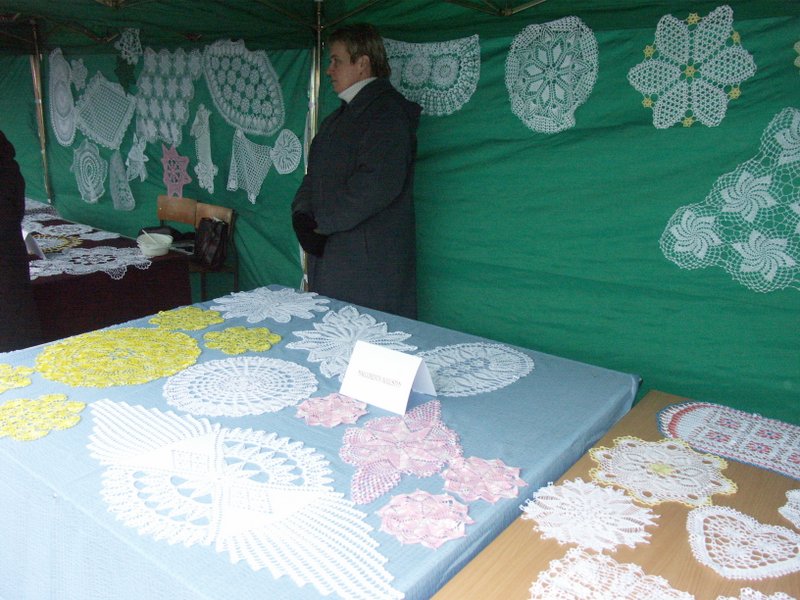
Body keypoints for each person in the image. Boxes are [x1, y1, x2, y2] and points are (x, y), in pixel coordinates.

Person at [292, 23, 422, 319]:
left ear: (362, 63)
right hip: (334, 259)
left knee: (366, 339)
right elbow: (313, 177)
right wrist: (302, 215)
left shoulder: (388, 115)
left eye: (336, 61)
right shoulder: (336, 120)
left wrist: (320, 224)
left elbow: (375, 186)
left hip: (368, 269)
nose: (329, 70)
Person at [0, 130, 43, 352]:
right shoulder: (7, 165)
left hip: (7, 255)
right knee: (15, 327)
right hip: (8, 254)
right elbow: (17, 209)